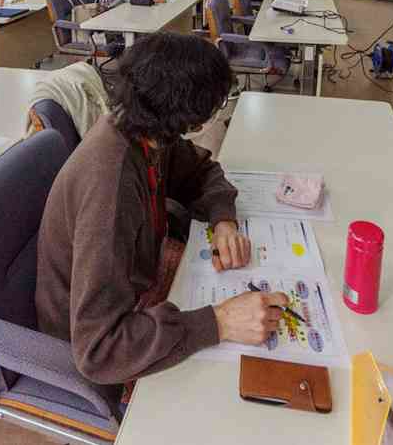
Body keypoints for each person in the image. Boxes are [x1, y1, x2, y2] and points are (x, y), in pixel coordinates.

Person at [35, 32, 290, 389]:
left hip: (130, 289)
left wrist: (224, 221)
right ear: (191, 120)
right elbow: (98, 350)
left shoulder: (143, 130)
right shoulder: (111, 187)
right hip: (95, 339)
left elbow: (201, 170)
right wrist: (219, 322)